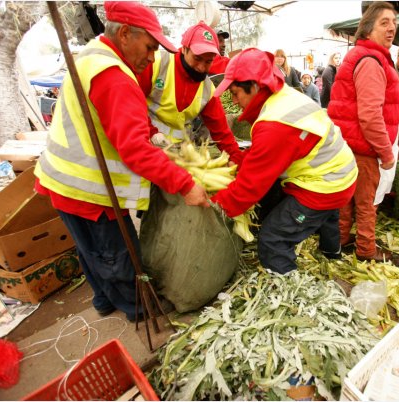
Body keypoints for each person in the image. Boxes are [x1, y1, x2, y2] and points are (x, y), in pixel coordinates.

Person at [34, 2, 210, 322]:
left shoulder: (91, 56)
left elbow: (116, 121)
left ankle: (103, 300)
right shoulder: (115, 76)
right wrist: (185, 184)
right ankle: (138, 308)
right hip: (90, 191)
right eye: (150, 47)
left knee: (89, 251)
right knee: (117, 255)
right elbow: (133, 150)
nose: (152, 57)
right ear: (126, 34)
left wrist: (154, 135)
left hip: (62, 181)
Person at [210, 48, 358, 274]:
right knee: (329, 215)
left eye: (236, 93)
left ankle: (289, 287)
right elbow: (266, 154)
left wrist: (214, 206)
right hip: (342, 171)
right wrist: (240, 162)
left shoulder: (273, 125)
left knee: (273, 239)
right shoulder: (284, 97)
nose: (234, 101)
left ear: (256, 86)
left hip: (323, 185)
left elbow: (249, 189)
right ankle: (332, 254)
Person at [327, 2, 399, 262]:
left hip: (347, 144)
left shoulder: (361, 55)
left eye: (393, 21)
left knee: (345, 199)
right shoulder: (371, 60)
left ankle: (337, 243)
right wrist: (385, 152)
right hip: (363, 147)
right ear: (368, 29)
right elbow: (370, 115)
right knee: (366, 204)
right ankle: (366, 251)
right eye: (384, 22)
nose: (391, 27)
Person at [139, 22, 244, 164]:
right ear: (184, 49)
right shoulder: (155, 64)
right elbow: (130, 103)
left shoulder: (208, 89)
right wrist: (151, 132)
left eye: (208, 61)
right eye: (197, 58)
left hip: (178, 158)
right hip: (143, 147)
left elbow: (222, 132)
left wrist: (236, 158)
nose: (201, 67)